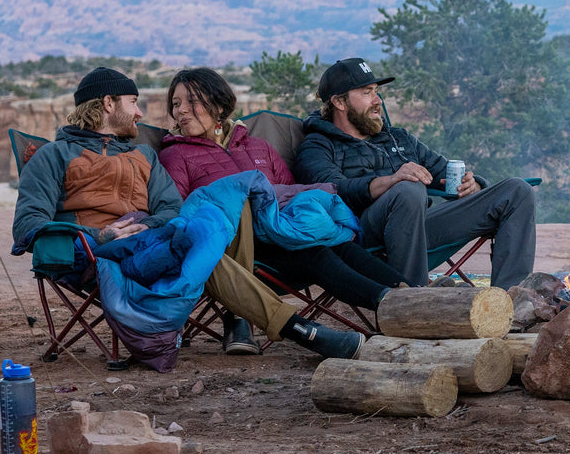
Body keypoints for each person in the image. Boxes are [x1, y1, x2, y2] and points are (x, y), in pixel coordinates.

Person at [13, 66, 364, 361]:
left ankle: (284, 327)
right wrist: (99, 237)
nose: (140, 114)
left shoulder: (144, 157)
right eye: (133, 103)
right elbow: (29, 226)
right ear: (108, 104)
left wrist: (145, 225)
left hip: (150, 246)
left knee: (208, 227)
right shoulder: (54, 156)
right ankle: (302, 331)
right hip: (95, 253)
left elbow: (170, 209)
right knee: (207, 252)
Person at [158, 67, 403, 353]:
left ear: (219, 105)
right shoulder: (175, 154)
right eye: (176, 104)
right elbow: (184, 214)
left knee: (338, 244)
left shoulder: (258, 147)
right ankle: (390, 303)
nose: (182, 111)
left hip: (281, 234)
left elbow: (288, 193)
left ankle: (408, 294)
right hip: (238, 250)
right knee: (314, 253)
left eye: (192, 101)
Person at [294, 58, 536, 288]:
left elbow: (442, 171)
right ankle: (412, 297)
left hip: (417, 230)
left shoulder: (398, 138)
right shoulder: (318, 145)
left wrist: (473, 185)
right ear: (339, 102)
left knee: (517, 191)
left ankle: (511, 302)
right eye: (367, 93)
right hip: (361, 237)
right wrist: (391, 181)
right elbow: (330, 191)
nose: (378, 100)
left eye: (377, 91)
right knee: (408, 188)